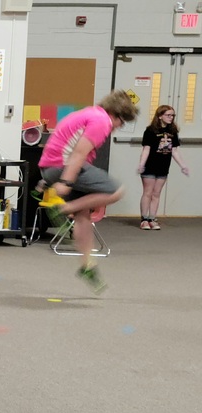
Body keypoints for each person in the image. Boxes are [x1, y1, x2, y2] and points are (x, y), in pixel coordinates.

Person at [39, 89, 138, 294]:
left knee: (84, 216)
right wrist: (67, 181)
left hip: (53, 166)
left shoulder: (90, 113)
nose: (119, 127)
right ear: (116, 114)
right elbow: (78, 153)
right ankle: (63, 209)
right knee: (116, 191)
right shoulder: (101, 121)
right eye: (122, 122)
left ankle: (87, 266)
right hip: (64, 166)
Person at [137, 104, 189, 230]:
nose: (171, 117)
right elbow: (146, 149)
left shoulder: (173, 132)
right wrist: (141, 164)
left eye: (172, 115)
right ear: (160, 116)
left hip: (163, 166)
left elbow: (175, 151)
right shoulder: (150, 130)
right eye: (168, 115)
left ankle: (152, 218)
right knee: (148, 192)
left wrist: (183, 165)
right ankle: (144, 220)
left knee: (156, 194)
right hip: (150, 166)